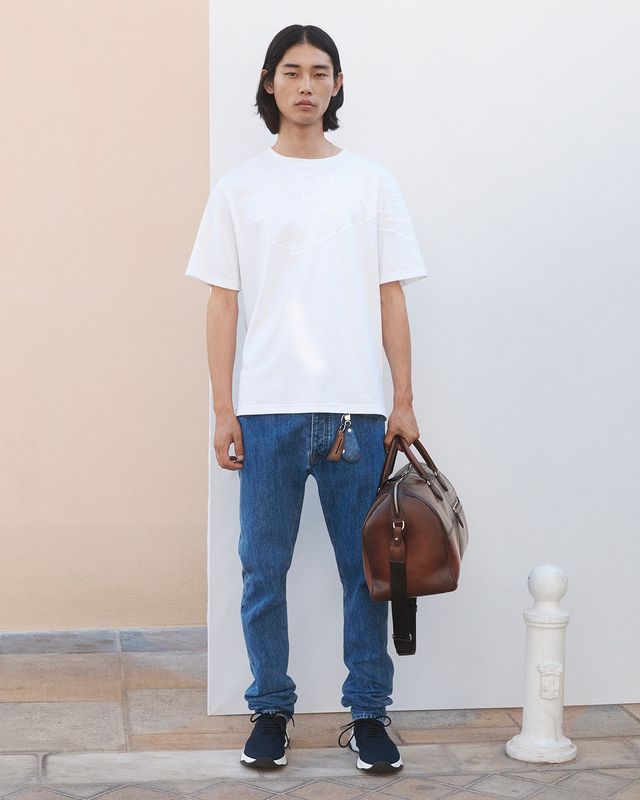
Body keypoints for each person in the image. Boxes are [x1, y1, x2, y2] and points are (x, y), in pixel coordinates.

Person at [185, 24, 428, 774]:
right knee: (262, 571)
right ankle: (271, 708)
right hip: (266, 410)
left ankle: (368, 714)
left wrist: (403, 400)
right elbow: (222, 303)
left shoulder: (370, 182)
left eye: (320, 72)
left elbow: (391, 295)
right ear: (269, 83)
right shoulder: (239, 188)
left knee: (366, 573)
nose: (306, 85)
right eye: (291, 72)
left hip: (355, 409)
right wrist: (223, 409)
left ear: (337, 85)